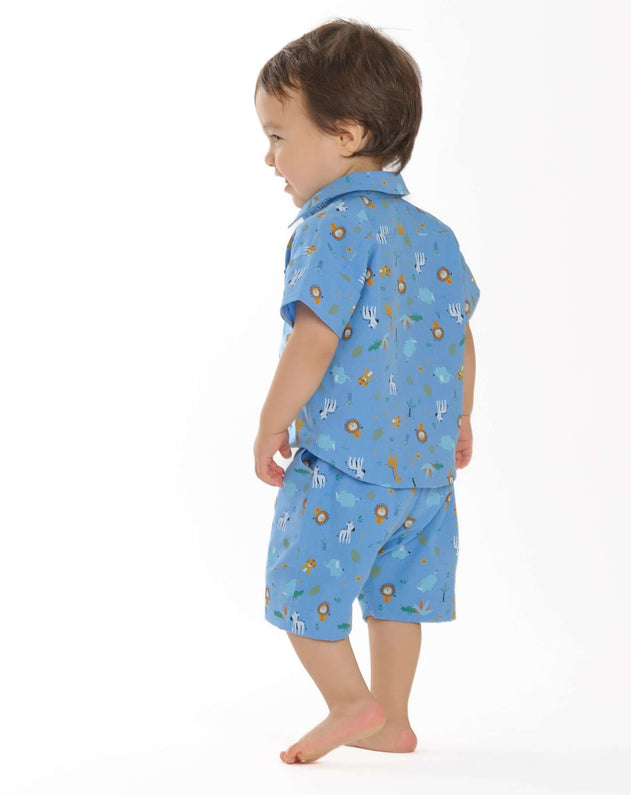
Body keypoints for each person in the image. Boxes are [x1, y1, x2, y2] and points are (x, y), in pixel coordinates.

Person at [253, 18, 481, 765]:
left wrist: (271, 423)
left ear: (346, 134)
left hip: (345, 467)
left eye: (279, 136)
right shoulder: (434, 234)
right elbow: (460, 335)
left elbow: (313, 339)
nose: (269, 158)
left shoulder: (330, 228)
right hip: (425, 477)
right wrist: (461, 418)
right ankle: (393, 720)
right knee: (396, 595)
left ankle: (352, 704)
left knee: (300, 586)